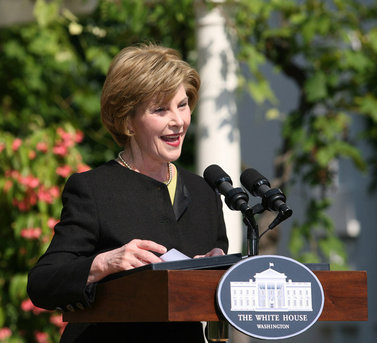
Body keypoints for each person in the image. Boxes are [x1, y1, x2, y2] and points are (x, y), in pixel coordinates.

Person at [27, 43, 228, 343]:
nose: (178, 121)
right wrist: (105, 263)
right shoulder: (93, 190)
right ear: (128, 121)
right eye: (160, 109)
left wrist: (214, 268)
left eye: (182, 104)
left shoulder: (203, 192)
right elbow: (42, 283)